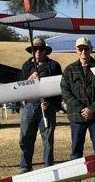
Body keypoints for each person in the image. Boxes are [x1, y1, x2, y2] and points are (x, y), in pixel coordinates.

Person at [60, 37, 95, 182]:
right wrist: (82, 108)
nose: (83, 51)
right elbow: (65, 91)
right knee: (76, 147)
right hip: (77, 115)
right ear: (76, 50)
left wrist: (92, 109)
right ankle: (76, 177)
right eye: (80, 49)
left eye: (86, 48)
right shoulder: (69, 70)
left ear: (91, 49)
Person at [18, 37, 62, 173]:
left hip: (46, 107)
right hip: (30, 105)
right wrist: (29, 79)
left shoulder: (54, 66)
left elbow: (59, 87)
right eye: (35, 49)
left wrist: (51, 102)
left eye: (40, 49)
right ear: (31, 51)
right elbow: (19, 86)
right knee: (25, 137)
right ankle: (25, 165)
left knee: (47, 139)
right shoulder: (26, 66)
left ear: (45, 51)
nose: (38, 51)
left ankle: (48, 167)